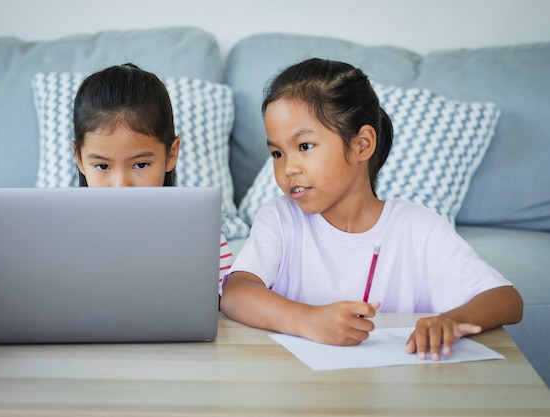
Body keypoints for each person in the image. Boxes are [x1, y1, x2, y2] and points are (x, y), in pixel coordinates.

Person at [220, 58, 523, 361]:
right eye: (276, 153)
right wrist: (309, 320)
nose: (288, 168)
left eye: (304, 146)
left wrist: (450, 322)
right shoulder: (280, 218)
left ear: (362, 144)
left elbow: (507, 300)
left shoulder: (417, 227)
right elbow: (235, 294)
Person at [72, 63, 233, 297]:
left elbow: (225, 298)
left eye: (140, 164)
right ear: (79, 158)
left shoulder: (198, 229)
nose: (121, 186)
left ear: (171, 154)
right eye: (103, 166)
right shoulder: (64, 232)